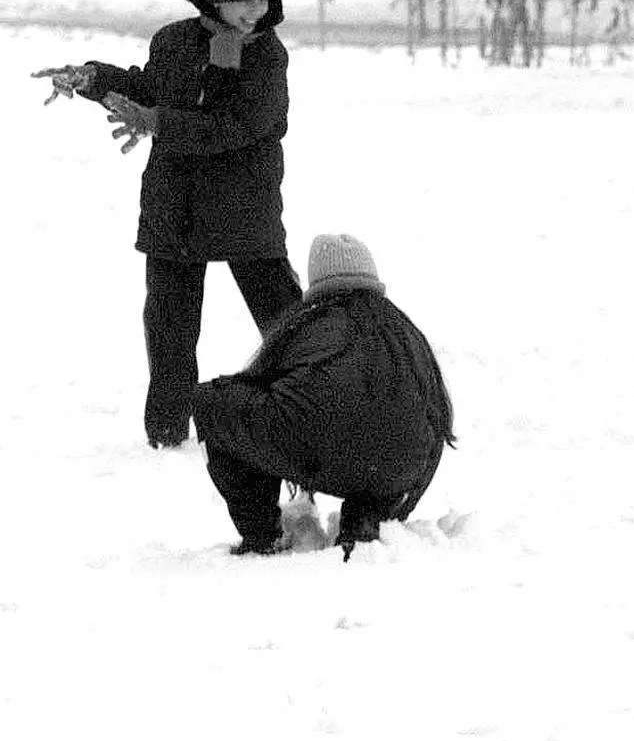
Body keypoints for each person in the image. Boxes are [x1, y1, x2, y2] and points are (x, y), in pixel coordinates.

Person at [32, 0, 303, 449]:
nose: (255, 9)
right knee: (170, 330)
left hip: (244, 206)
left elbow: (242, 125)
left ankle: (317, 412)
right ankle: (166, 438)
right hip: (176, 206)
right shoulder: (174, 42)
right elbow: (149, 89)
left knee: (285, 325)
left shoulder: (267, 55)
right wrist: (93, 79)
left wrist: (159, 123)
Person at [191, 234, 457, 559]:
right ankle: (369, 519)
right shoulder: (407, 331)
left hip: (323, 455)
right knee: (394, 436)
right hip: (402, 469)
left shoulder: (309, 322)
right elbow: (440, 412)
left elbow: (257, 385)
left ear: (318, 282)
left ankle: (263, 535)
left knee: (213, 402)